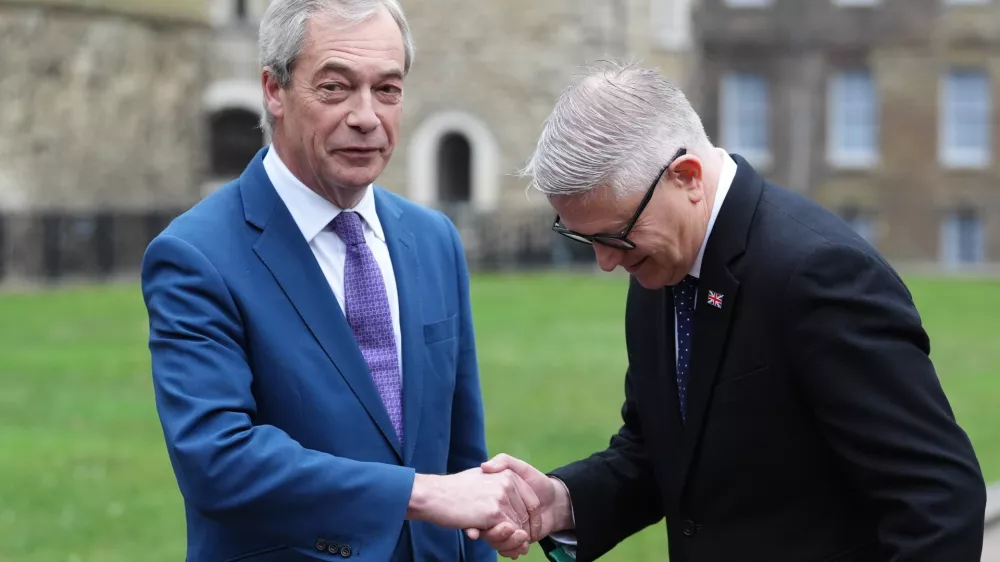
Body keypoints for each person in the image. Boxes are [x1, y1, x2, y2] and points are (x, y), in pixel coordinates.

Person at [477, 61, 988, 562]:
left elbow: (938, 500)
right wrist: (562, 501)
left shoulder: (818, 273)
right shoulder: (659, 263)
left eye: (613, 237)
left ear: (687, 177)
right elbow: (662, 453)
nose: (606, 262)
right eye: (582, 238)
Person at [140, 1, 538, 561]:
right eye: (335, 87)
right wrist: (421, 495)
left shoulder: (433, 240)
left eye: (388, 89)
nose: (366, 116)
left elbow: (461, 458)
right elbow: (219, 461)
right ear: (274, 91)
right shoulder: (196, 255)